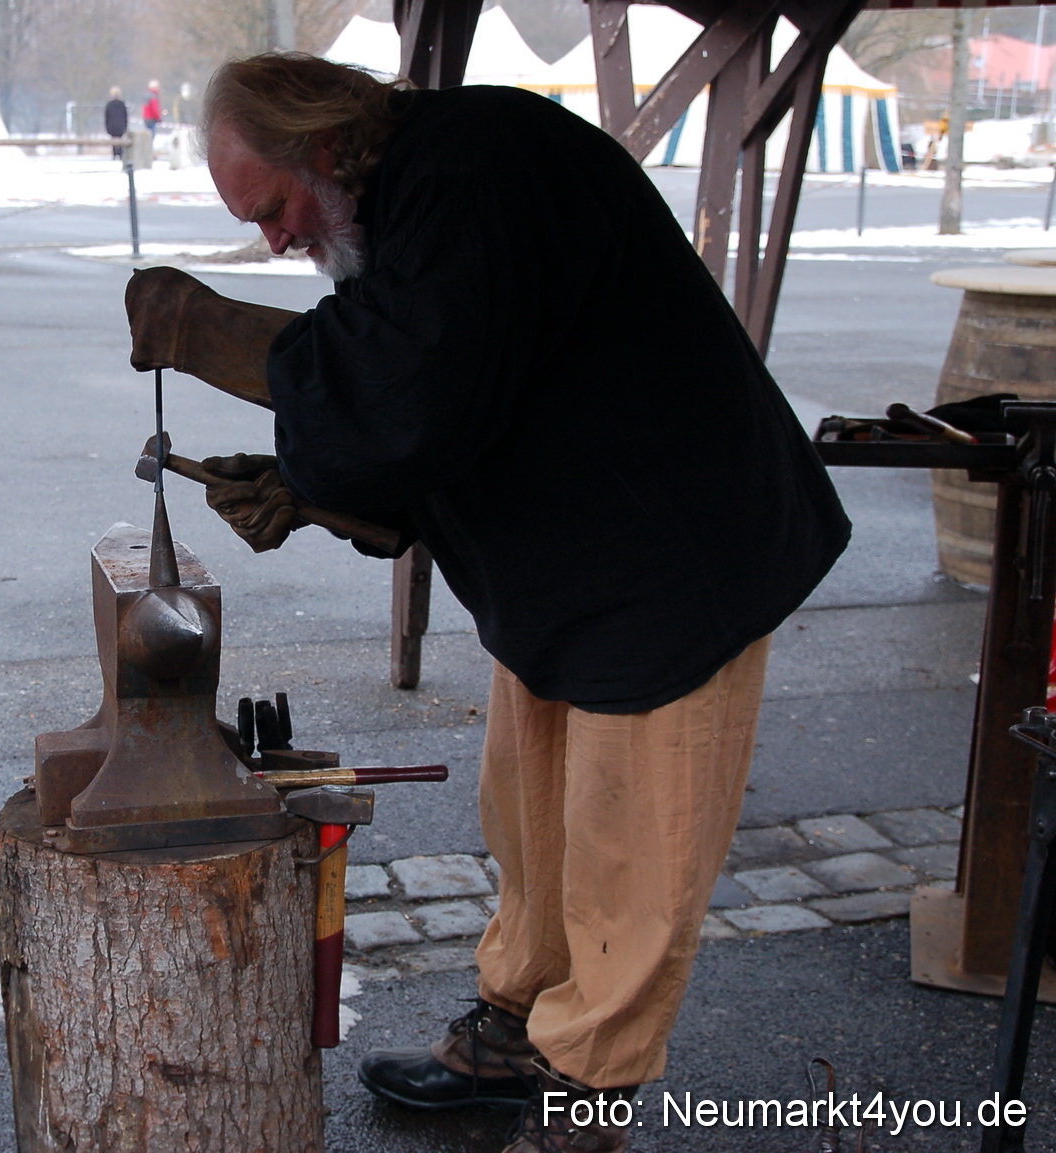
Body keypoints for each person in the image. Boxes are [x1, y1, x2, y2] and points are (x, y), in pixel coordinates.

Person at [126, 53, 850, 1153]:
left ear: (323, 147)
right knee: (534, 815)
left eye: (271, 209)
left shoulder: (477, 168)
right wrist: (316, 492)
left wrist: (224, 344)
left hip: (673, 554)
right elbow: (450, 389)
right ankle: (515, 1028)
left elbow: (409, 389)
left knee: (628, 848)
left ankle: (587, 1091)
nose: (274, 240)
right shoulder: (402, 200)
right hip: (569, 556)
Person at [105, 86, 129, 158]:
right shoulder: (122, 104)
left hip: (111, 125)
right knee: (120, 139)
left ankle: (114, 154)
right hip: (121, 125)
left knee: (113, 140)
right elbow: (125, 116)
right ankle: (120, 153)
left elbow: (107, 117)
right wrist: (125, 126)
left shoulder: (109, 105)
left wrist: (107, 127)